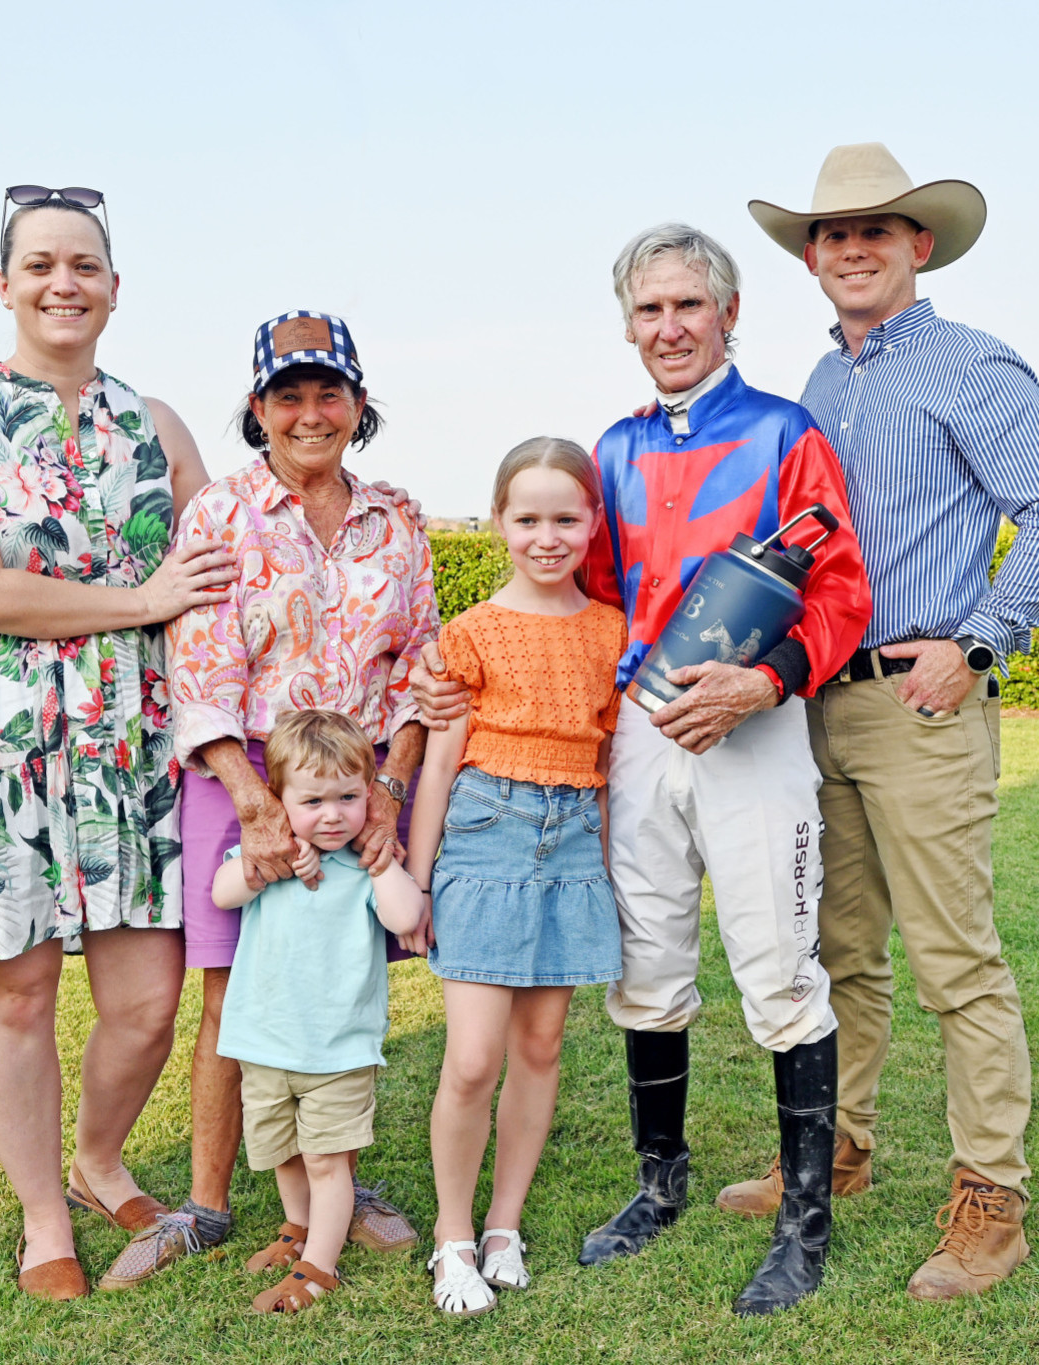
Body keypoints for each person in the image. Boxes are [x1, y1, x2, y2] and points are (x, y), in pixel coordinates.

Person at [414, 224, 873, 1315]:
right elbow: (581, 605)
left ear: (728, 312)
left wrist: (763, 686)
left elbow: (843, 591)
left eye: (687, 306)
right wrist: (454, 691)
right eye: (648, 310)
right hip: (638, 737)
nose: (668, 328)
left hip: (751, 732)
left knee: (777, 971)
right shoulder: (610, 451)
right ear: (626, 324)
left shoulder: (783, 433)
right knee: (649, 967)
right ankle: (657, 1184)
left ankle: (803, 1219)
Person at [0, 185, 240, 1300]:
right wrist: (143, 599)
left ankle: (99, 1157)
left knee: (146, 1000)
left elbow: (219, 567)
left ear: (115, 287)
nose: (62, 283)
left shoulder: (157, 423)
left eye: (84, 265)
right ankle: (41, 1219)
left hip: (132, 741)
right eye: (40, 265)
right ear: (5, 284)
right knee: (15, 993)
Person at [726, 143, 1039, 1299]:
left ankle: (990, 1204)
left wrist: (976, 643)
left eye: (873, 231)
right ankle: (839, 1150)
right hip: (817, 702)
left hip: (919, 701)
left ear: (917, 244)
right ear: (810, 257)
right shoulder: (820, 385)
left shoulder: (971, 366)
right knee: (838, 953)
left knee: (954, 964)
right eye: (830, 235)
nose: (849, 249)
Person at [164, 310, 437, 1260]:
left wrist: (389, 795)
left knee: (338, 979)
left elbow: (418, 666)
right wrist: (256, 803)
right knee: (231, 987)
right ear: (258, 407)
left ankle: (336, 1185)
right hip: (238, 778)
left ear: (359, 405)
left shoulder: (396, 517)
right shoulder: (221, 513)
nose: (310, 413)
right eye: (290, 395)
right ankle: (207, 1204)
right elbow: (198, 666)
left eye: (331, 393)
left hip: (356, 791)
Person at [405, 437, 627, 1317]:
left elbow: (610, 759)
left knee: (540, 1047)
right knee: (471, 1057)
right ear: (498, 521)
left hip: (574, 840)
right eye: (527, 517)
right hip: (487, 840)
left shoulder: (611, 630)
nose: (546, 535)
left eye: (565, 518)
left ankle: (504, 1224)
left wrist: (607, 871)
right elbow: (439, 764)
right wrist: (419, 882)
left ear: (593, 524)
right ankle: (451, 1236)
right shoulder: (470, 633)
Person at [209, 708, 425, 1315]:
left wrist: (380, 863)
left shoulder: (366, 867)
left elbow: (405, 919)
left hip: (338, 1047)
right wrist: (269, 867)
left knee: (328, 1159)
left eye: (349, 797)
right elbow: (223, 892)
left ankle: (318, 1268)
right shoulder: (270, 860)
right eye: (313, 801)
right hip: (266, 1041)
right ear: (278, 800)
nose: (332, 815)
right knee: (283, 1151)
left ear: (369, 794)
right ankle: (297, 1228)